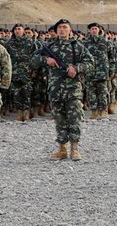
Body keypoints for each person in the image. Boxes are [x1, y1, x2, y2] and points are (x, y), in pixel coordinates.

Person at [32, 19, 91, 159]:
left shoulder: (78, 47)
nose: (62, 30)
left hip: (73, 90)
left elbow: (90, 63)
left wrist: (76, 68)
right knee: (59, 119)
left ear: (70, 30)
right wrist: (46, 60)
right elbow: (33, 60)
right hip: (55, 89)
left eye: (65, 27)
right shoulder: (49, 47)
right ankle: (62, 149)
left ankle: (75, 149)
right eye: (59, 27)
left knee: (74, 118)